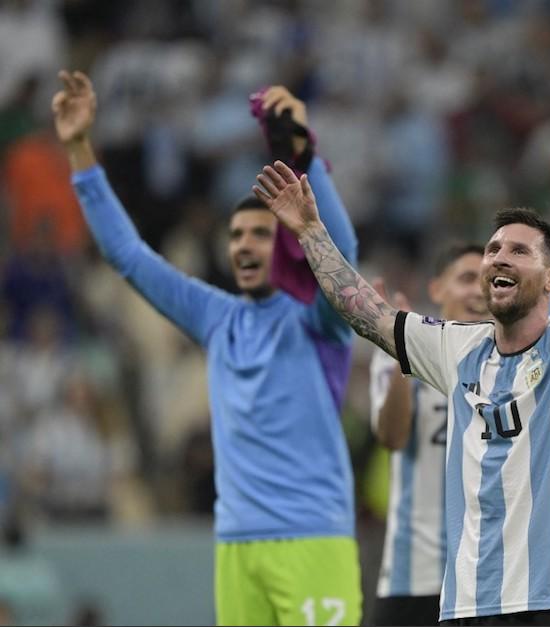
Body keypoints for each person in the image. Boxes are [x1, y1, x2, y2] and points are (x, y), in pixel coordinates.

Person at [253, 139, 550, 625]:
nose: (498, 258)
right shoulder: (458, 347)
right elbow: (366, 313)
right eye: (494, 249)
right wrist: (310, 232)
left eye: (518, 250)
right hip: (466, 603)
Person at [54, 70, 362, 626]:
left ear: (288, 242)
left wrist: (304, 155)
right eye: (237, 235)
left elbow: (344, 256)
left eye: (261, 233)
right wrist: (79, 148)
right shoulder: (216, 318)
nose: (244, 244)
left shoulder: (321, 323)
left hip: (314, 539)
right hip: (235, 545)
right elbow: (128, 255)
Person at [369, 246, 550, 626]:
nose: (475, 291)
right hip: (416, 571)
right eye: (464, 278)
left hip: (489, 575)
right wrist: (401, 364)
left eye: (480, 280)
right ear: (437, 290)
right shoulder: (413, 353)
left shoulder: (509, 366)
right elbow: (391, 437)